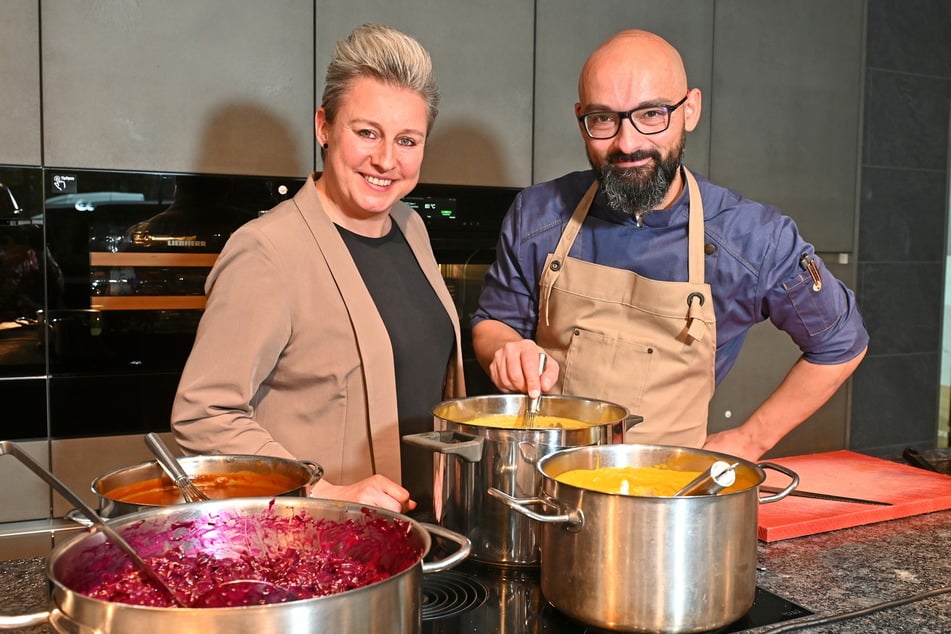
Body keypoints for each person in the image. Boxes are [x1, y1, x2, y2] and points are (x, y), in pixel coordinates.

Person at [471, 29, 868, 462]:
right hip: (543, 484)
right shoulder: (538, 214)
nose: (627, 143)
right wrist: (507, 350)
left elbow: (841, 341)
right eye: (604, 119)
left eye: (652, 113)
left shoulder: (752, 237)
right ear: (581, 118)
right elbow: (494, 322)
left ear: (689, 109)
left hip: (670, 504)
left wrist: (751, 439)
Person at [171, 24, 464, 518]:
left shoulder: (412, 228)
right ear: (324, 127)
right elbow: (204, 415)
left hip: (420, 534)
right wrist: (324, 491)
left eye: (408, 140)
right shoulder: (267, 251)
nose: (386, 160)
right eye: (366, 132)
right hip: (321, 547)